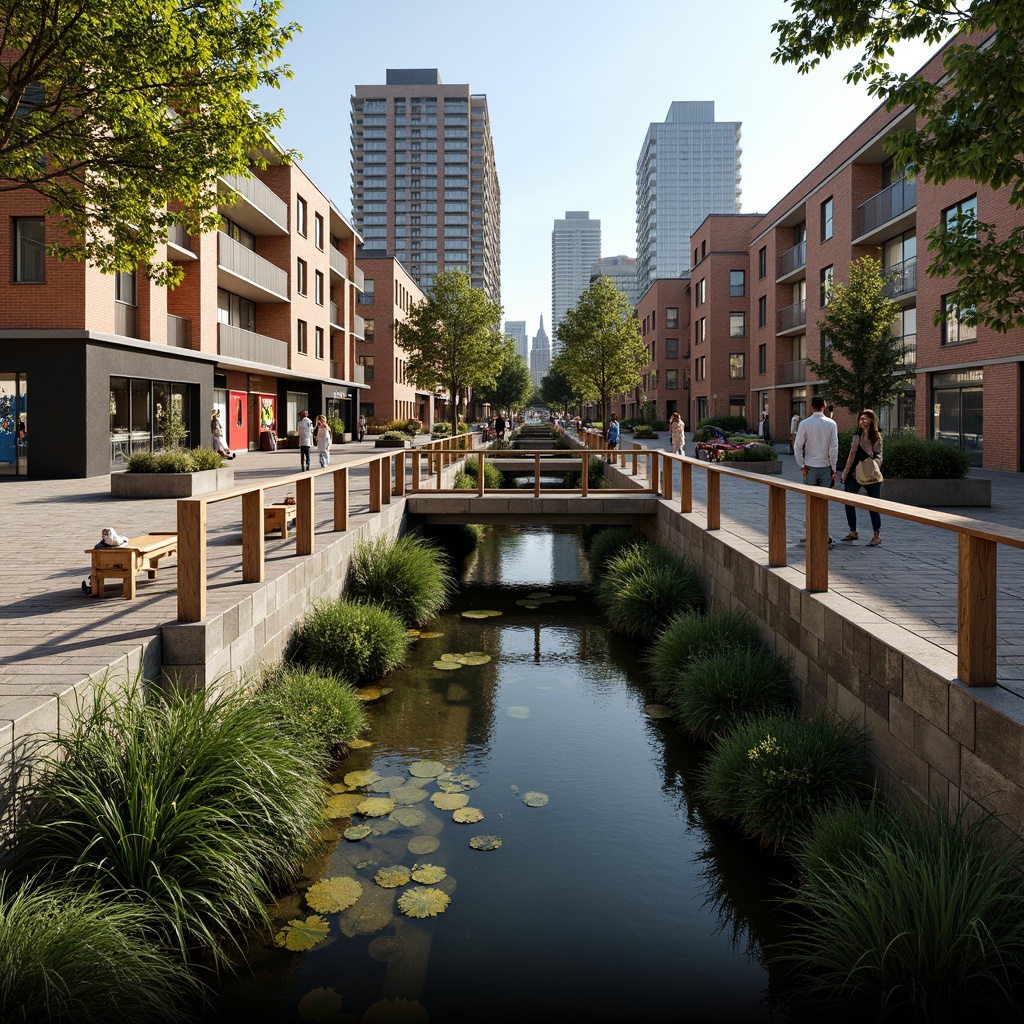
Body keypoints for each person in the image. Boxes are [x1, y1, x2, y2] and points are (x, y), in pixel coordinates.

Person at [794, 396, 839, 548]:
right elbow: (834, 449)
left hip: (810, 467)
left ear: (811, 406)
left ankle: (810, 534)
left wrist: (802, 465)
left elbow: (797, 446)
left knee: (810, 502)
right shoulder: (831, 424)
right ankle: (824, 536)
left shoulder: (805, 423)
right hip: (826, 467)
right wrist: (834, 468)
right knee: (823, 503)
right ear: (824, 406)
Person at [840, 409, 884, 546]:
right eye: (860, 418)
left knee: (873, 505)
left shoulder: (876, 437)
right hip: (854, 473)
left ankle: (876, 535)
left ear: (871, 420)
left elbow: (879, 455)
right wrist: (846, 474)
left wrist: (873, 465)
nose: (862, 420)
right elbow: (851, 456)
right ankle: (853, 531)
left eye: (865, 418)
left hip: (870, 474)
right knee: (848, 500)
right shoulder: (857, 436)